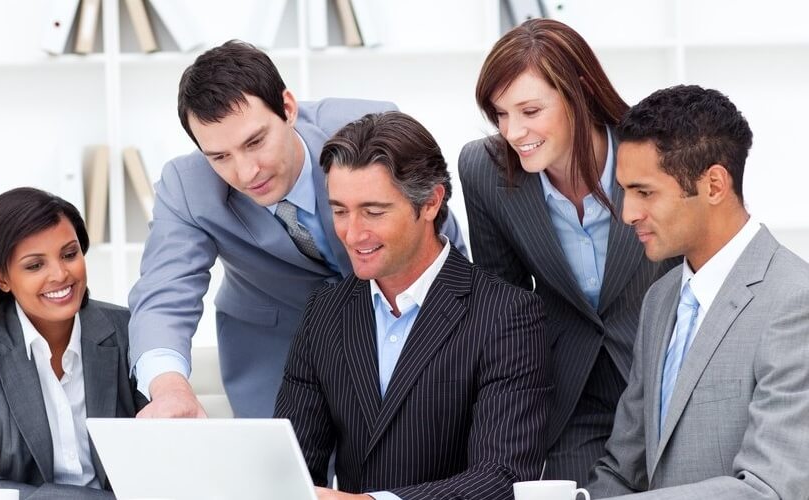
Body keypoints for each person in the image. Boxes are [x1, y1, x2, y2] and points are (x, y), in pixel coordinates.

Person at [128, 40, 467, 419]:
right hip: (273, 345)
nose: (246, 172)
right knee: (287, 471)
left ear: (288, 108)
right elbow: (163, 294)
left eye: (255, 142)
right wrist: (169, 388)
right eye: (220, 156)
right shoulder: (186, 185)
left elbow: (440, 240)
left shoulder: (370, 132)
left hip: (398, 321)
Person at [275, 111, 549, 500]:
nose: (352, 233)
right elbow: (290, 466)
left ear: (431, 202)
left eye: (373, 211)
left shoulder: (507, 314)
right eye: (339, 211)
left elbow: (501, 477)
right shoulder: (325, 311)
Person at [457, 18, 676, 483]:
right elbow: (503, 302)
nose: (514, 132)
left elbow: (699, 266)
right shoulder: (484, 170)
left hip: (667, 376)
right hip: (572, 392)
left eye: (530, 111)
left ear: (578, 91)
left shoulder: (657, 149)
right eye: (500, 114)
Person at [587, 85, 809, 499]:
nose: (627, 213)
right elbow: (622, 468)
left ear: (713, 185)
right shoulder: (660, 298)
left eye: (644, 192)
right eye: (624, 191)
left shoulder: (795, 302)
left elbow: (772, 489)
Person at [0, 187, 146, 499]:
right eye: (35, 265)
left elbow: (161, 458)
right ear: (2, 278)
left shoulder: (126, 330)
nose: (60, 274)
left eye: (69, 254)